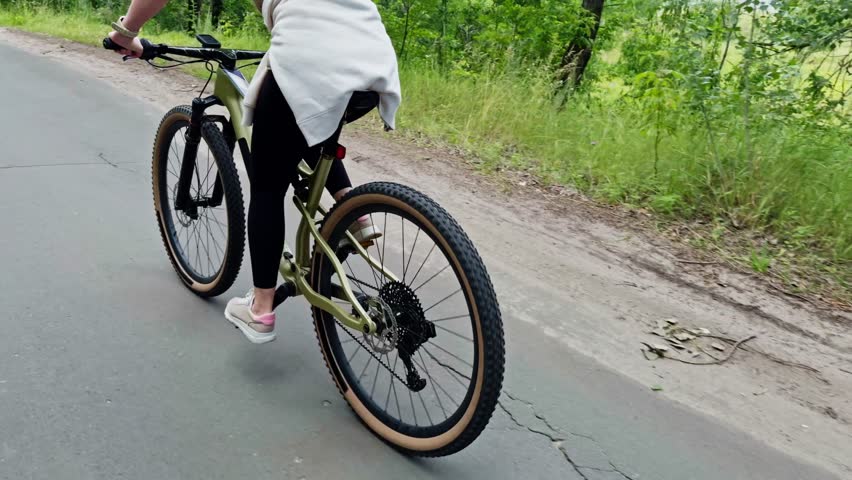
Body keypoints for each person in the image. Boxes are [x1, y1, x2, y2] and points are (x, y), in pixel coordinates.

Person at [107, 0, 401, 344]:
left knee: (267, 186)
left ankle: (261, 307)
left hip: (311, 59)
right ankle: (353, 212)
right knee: (304, 120)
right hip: (372, 57)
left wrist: (126, 34)